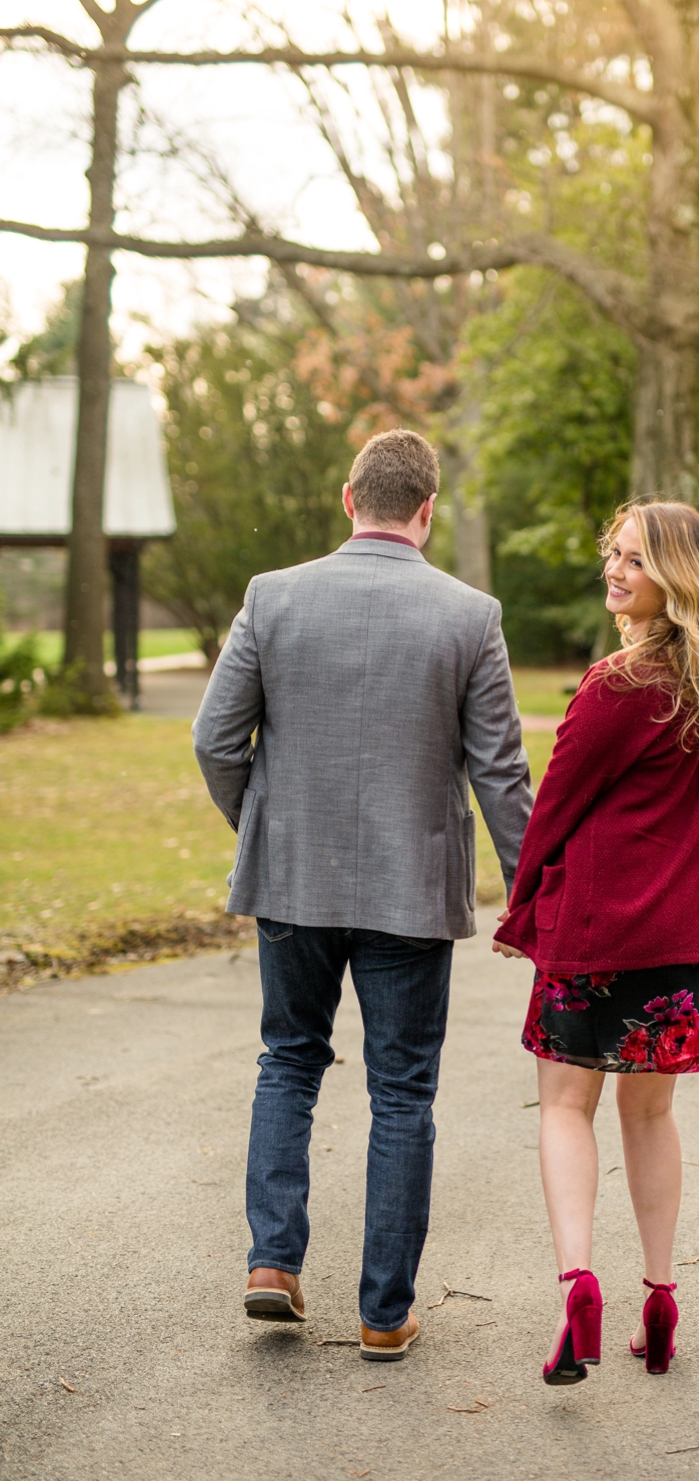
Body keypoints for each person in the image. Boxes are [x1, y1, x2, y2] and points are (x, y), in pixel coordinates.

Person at [192, 429, 534, 1361]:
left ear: (350, 499)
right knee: (403, 1093)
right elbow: (501, 774)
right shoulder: (470, 615)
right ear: (428, 510)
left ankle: (273, 1264)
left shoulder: (273, 597)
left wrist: (263, 830)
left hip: (294, 879)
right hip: (411, 890)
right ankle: (384, 1313)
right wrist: (532, 897)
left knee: (289, 1061)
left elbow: (216, 742)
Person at [492, 499, 699, 1386]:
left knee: (566, 1108)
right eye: (613, 555)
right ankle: (660, 1301)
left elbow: (557, 805)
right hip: (684, 949)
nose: (615, 572)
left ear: (674, 580)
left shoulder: (619, 684)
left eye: (636, 562)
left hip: (598, 937)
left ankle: (580, 1285)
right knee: (650, 1114)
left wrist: (521, 907)